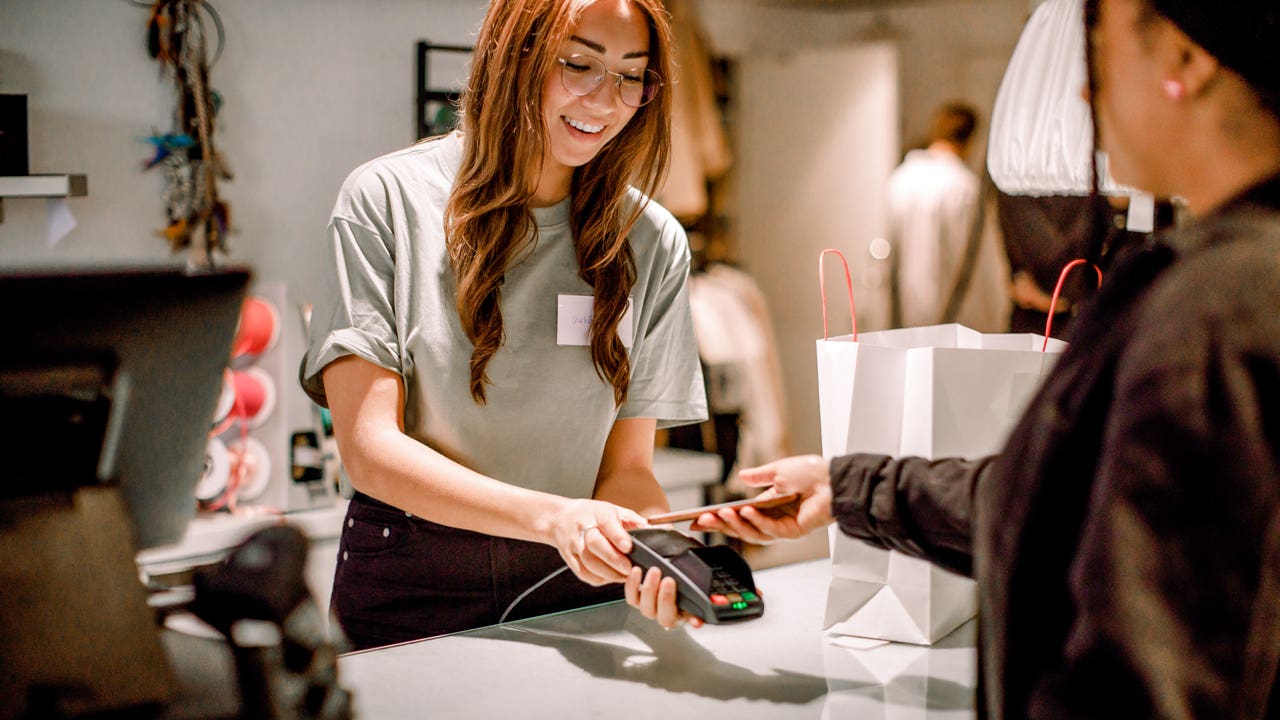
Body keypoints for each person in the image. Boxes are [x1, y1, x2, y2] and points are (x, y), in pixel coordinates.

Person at [688, 0, 1280, 716]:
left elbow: (1153, 663)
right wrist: (848, 487)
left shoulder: (1217, 311)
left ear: (1185, 58)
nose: (1086, 93)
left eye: (1097, 46)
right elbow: (1062, 506)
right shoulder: (1215, 285)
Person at [300, 0, 708, 650]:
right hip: (412, 586)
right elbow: (369, 451)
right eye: (580, 64)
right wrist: (554, 519)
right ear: (510, 55)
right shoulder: (384, 202)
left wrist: (654, 546)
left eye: (633, 75)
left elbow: (627, 468)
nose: (606, 101)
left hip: (577, 588)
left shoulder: (651, 241)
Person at [886, 101, 985, 328]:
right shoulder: (961, 186)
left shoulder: (900, 178)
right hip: (950, 311)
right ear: (969, 139)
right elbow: (969, 261)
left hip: (905, 307)